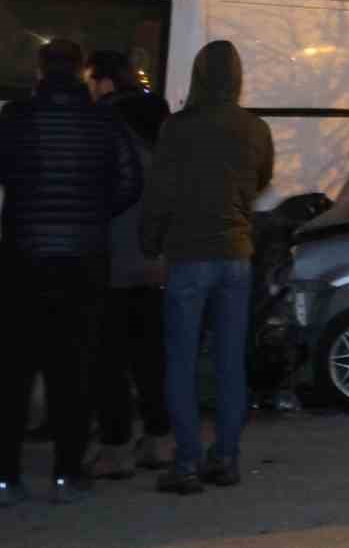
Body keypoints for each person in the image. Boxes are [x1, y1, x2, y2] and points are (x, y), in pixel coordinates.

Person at [0, 39, 141, 506]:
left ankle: (7, 477)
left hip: (23, 257)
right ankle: (66, 474)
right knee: (73, 369)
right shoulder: (104, 121)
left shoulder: (16, 119)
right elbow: (129, 182)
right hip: (83, 260)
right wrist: (92, 214)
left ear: (40, 70)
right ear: (82, 71)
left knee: (15, 372)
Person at [141, 41, 273, 495]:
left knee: (180, 361)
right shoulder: (255, 128)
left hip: (188, 256)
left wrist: (149, 243)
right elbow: (261, 179)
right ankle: (227, 458)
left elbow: (159, 194)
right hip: (236, 255)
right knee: (229, 360)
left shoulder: (178, 129)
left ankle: (187, 463)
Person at [84, 51, 172, 480]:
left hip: (113, 255)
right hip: (156, 256)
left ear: (103, 82)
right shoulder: (162, 120)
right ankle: (160, 439)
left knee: (109, 358)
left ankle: (116, 446)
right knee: (152, 354)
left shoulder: (102, 123)